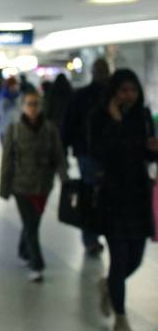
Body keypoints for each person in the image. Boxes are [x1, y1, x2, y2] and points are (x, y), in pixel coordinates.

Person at [88, 68, 158, 331]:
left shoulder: (143, 116)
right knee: (118, 258)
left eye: (133, 90)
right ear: (114, 93)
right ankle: (121, 319)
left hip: (139, 193)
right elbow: (98, 152)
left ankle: (108, 286)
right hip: (112, 196)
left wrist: (154, 148)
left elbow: (146, 153)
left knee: (136, 258)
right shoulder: (99, 116)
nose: (129, 95)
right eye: (123, 90)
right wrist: (115, 123)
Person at [0, 90, 68, 282]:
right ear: (23, 106)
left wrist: (64, 178)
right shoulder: (15, 129)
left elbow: (59, 156)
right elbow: (7, 160)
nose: (33, 108)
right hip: (21, 185)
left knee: (33, 223)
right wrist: (4, 188)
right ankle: (37, 264)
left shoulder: (50, 129)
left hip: (43, 185)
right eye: (29, 104)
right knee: (30, 225)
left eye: (36, 104)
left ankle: (23, 249)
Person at [62, 58, 110, 256]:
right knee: (92, 194)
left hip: (100, 154)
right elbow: (69, 125)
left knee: (97, 194)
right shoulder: (86, 96)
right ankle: (92, 237)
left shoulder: (112, 96)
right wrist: (62, 151)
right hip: (88, 153)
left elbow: (68, 125)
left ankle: (96, 235)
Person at [0, 76, 21, 144]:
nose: (15, 88)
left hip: (19, 132)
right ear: (8, 86)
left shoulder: (20, 97)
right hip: (5, 132)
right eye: (13, 86)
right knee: (7, 153)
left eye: (16, 86)